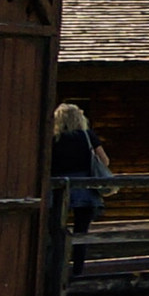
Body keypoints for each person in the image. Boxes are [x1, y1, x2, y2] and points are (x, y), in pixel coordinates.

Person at [50, 102, 111, 242]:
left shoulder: (53, 138)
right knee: (81, 233)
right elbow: (105, 161)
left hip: (57, 188)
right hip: (85, 189)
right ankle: (78, 263)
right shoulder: (87, 136)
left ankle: (55, 262)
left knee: (54, 231)